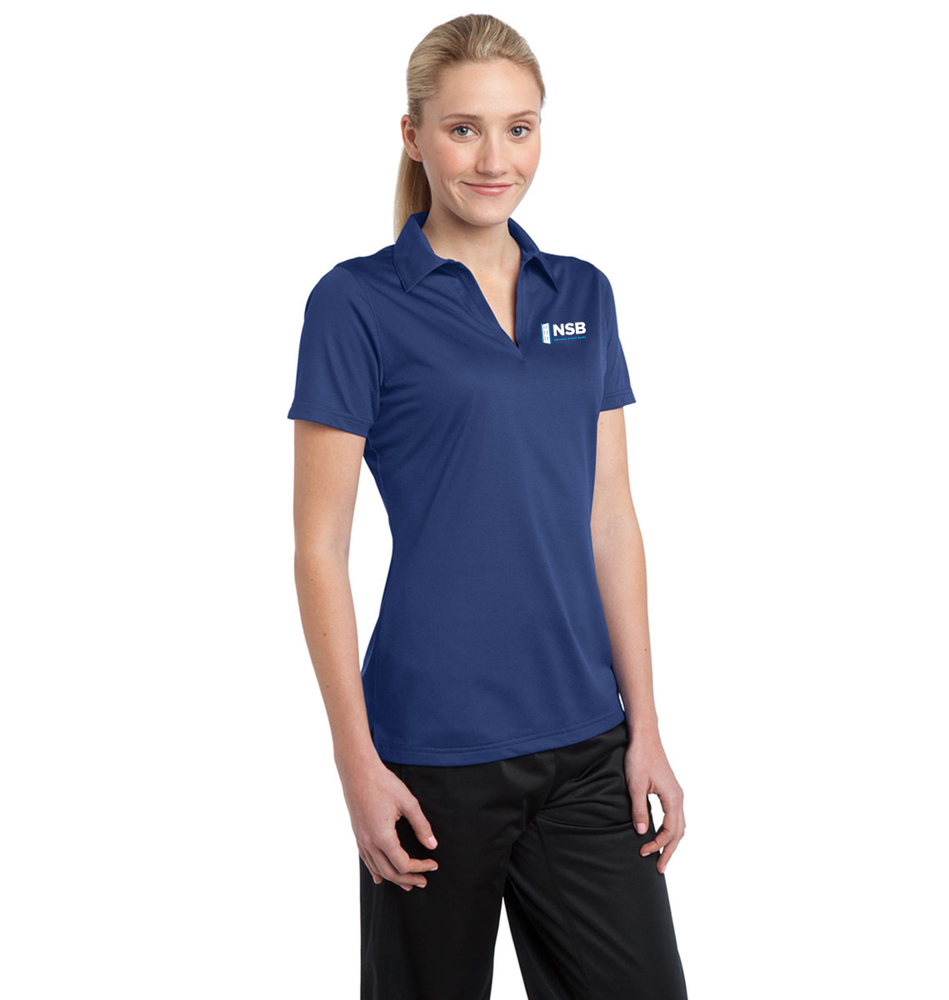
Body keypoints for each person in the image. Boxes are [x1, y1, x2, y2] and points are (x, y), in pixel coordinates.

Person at [287, 13, 688, 1000]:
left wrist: (645, 726)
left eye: (519, 128)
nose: (494, 158)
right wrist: (356, 762)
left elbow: (609, 520)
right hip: (428, 754)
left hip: (585, 742)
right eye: (463, 128)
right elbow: (319, 547)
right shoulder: (355, 304)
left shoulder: (582, 294)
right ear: (413, 136)